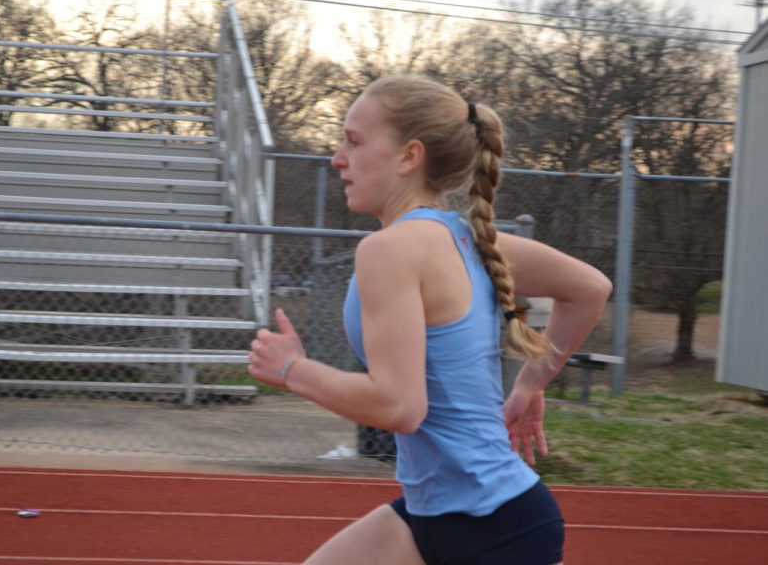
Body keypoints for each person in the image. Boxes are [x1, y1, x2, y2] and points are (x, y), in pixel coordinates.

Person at [248, 74, 612, 565]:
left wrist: (292, 369)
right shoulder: (468, 240)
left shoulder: (389, 250)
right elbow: (589, 289)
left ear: (408, 156)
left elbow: (400, 407)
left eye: (354, 142)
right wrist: (530, 386)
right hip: (440, 516)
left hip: (493, 530)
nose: (337, 159)